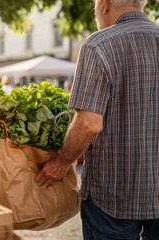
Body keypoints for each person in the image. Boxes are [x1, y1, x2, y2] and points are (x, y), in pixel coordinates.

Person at [35, 0, 159, 239]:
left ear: (103, 4)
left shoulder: (98, 44)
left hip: (113, 196)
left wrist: (61, 163)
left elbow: (89, 124)